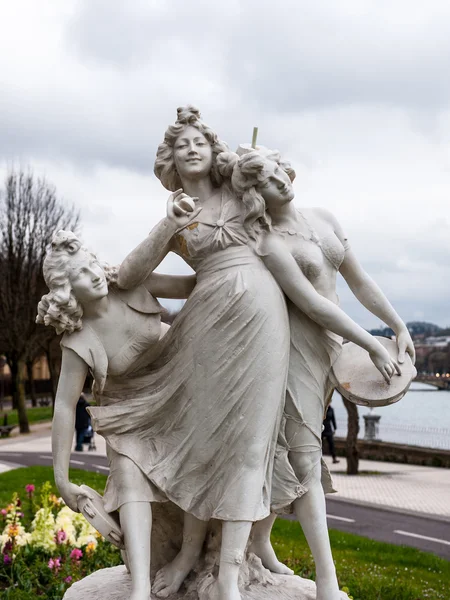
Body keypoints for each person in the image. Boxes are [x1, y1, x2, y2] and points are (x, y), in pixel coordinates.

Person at [88, 106, 295, 600]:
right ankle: (186, 555)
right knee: (203, 446)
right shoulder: (179, 216)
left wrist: (263, 167)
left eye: (199, 140)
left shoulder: (240, 195)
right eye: (182, 145)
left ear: (213, 148)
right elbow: (135, 274)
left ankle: (231, 570)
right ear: (171, 163)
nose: (192, 148)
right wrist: (166, 228)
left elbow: (285, 190)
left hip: (263, 327)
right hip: (204, 334)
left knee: (248, 444)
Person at [215, 147, 415, 600]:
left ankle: (261, 542)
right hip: (294, 354)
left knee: (282, 452)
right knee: (302, 456)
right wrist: (369, 341)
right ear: (254, 195)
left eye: (275, 171)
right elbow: (312, 303)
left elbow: (359, 281)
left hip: (332, 352)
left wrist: (397, 324)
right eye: (263, 180)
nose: (277, 181)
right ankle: (328, 582)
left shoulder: (322, 217)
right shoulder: (268, 243)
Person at [36, 230, 196, 600]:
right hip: (132, 414)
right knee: (127, 471)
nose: (93, 273)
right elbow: (63, 406)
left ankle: (241, 549)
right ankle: (140, 586)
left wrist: (176, 240)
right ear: (67, 290)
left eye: (91, 263)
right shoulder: (80, 341)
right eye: (80, 274)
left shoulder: (131, 283)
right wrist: (62, 479)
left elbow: (196, 284)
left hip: (185, 390)